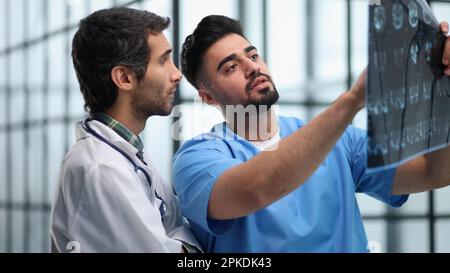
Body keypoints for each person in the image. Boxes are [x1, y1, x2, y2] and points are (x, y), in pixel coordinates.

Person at [172, 15, 450, 252]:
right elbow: (256, 189)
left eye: (253, 55)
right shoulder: (198, 158)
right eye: (232, 67)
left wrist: (443, 85)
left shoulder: (341, 141)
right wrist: (352, 100)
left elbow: (434, 172)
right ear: (208, 96)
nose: (252, 67)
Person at [50, 7, 200, 253]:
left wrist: (177, 241)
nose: (177, 74)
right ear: (125, 78)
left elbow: (176, 228)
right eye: (163, 60)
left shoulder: (126, 153)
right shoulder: (100, 167)